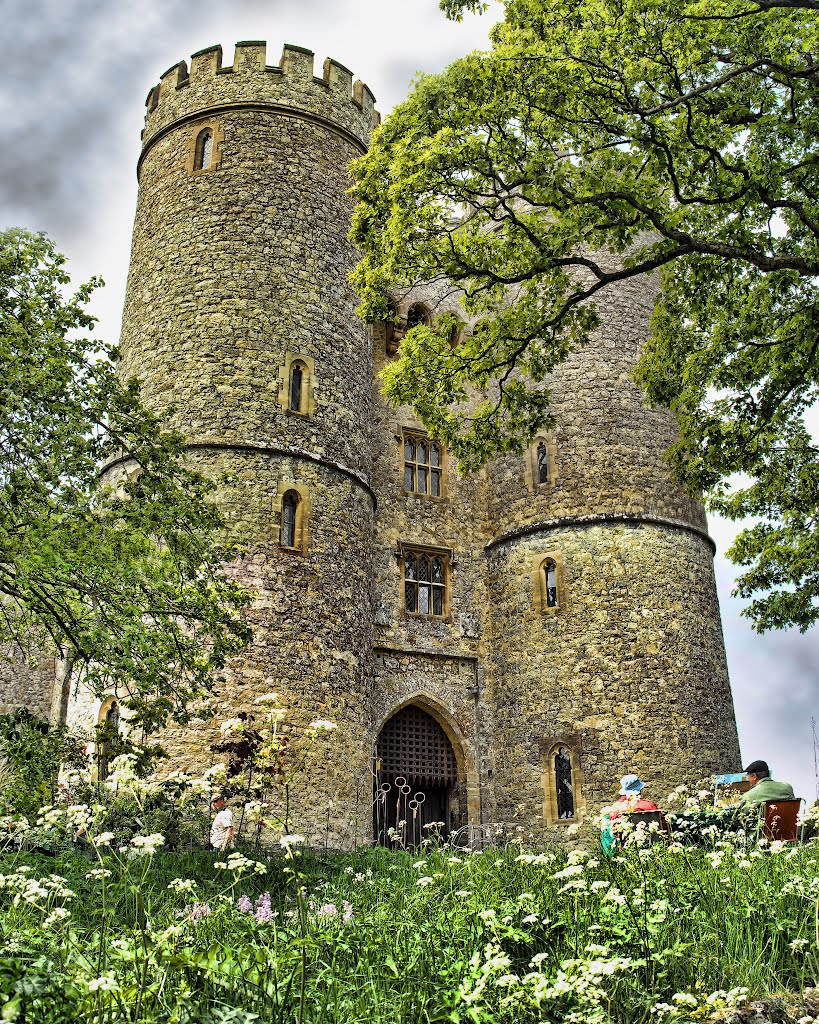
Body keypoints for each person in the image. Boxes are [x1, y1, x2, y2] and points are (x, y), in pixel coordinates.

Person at [601, 775, 662, 854]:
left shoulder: (615, 810)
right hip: (653, 848)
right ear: (639, 790)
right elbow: (662, 825)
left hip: (626, 851)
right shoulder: (650, 806)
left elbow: (611, 835)